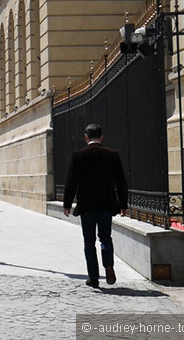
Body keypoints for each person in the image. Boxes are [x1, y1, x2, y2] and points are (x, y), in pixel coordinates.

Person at [63, 123, 129, 289]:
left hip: (86, 205)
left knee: (89, 241)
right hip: (106, 204)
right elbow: (121, 181)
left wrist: (67, 203)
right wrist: (123, 204)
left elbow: (71, 181)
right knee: (105, 237)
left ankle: (93, 277)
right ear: (101, 137)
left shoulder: (78, 155)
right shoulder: (112, 154)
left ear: (86, 137)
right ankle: (108, 266)